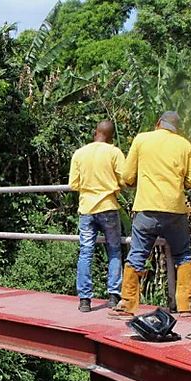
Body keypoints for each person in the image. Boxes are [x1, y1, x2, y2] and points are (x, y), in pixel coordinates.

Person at [111, 111, 191, 318]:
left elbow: (127, 176)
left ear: (158, 123)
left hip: (146, 208)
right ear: (176, 127)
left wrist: (134, 182)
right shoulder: (184, 144)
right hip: (175, 210)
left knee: (137, 254)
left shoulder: (142, 139)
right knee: (183, 255)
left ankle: (127, 304)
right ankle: (185, 305)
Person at [68, 120, 125, 313]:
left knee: (85, 252)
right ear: (111, 137)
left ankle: (85, 300)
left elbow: (74, 184)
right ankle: (113, 295)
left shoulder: (79, 153)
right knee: (115, 250)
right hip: (108, 206)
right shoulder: (114, 152)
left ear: (95, 133)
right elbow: (124, 179)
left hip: (86, 210)